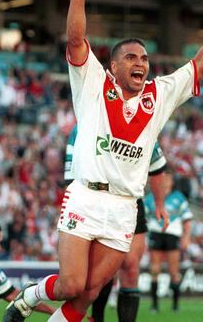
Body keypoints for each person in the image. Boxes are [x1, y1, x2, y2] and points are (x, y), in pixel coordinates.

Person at [3, 0, 203, 321]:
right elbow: (74, 39)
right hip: (86, 195)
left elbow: (202, 64)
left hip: (125, 208)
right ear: (114, 66)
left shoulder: (159, 94)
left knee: (88, 293)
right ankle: (27, 298)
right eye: (131, 57)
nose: (141, 62)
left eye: (145, 58)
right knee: (71, 285)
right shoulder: (94, 83)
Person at [65, 124, 168, 322]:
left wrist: (160, 203)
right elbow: (71, 174)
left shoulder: (143, 125)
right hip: (91, 203)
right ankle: (97, 317)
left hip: (129, 202)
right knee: (100, 274)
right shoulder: (83, 126)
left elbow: (157, 167)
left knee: (130, 267)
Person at [144, 169, 192, 313]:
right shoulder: (150, 198)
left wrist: (186, 237)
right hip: (155, 234)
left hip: (172, 235)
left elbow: (187, 220)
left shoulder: (179, 197)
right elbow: (142, 218)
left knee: (173, 271)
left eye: (168, 179)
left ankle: (175, 305)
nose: (165, 182)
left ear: (172, 182)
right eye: (163, 179)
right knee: (154, 270)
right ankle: (154, 305)